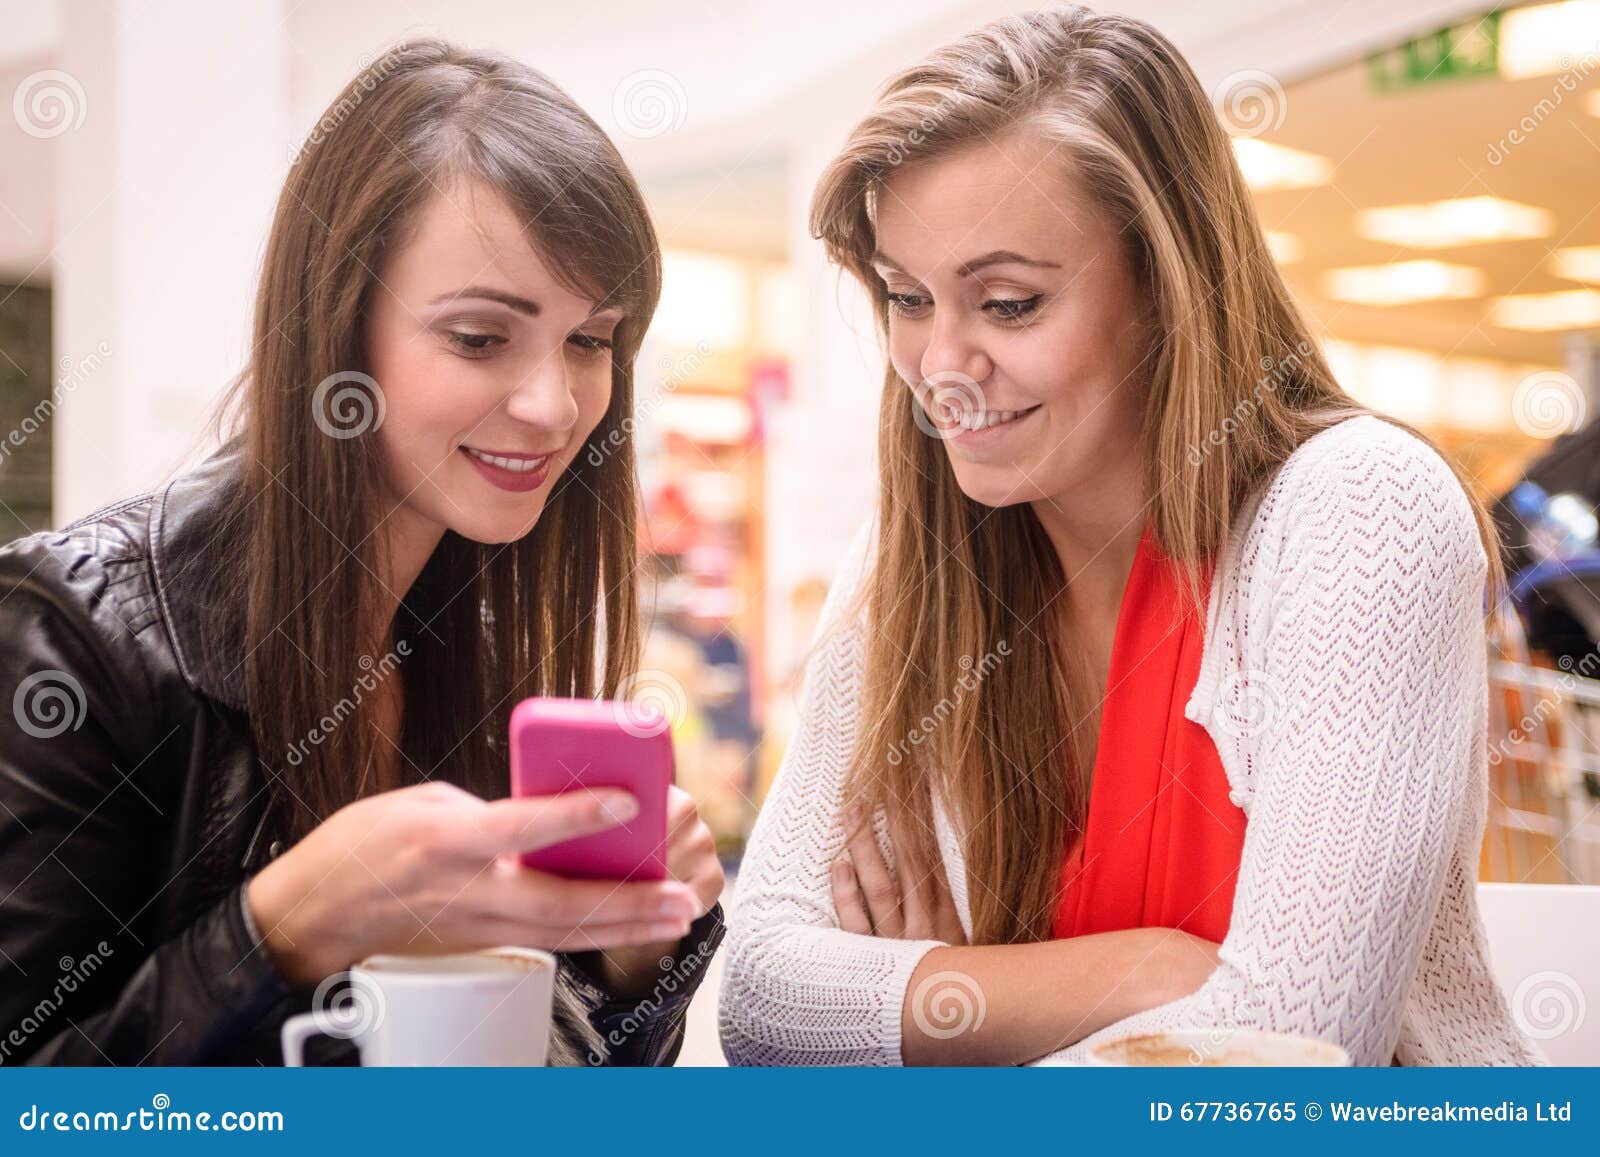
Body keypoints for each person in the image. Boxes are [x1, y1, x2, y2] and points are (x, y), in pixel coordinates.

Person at [719, 6, 1541, 1066]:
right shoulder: (911, 555)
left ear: (1165, 285)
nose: (940, 365)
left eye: (1008, 303)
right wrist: (1145, 968)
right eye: (906, 297)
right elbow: (765, 995)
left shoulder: (1358, 508)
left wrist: (936, 1008)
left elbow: (1279, 1057)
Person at [0, 41, 723, 1067]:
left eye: (591, 340)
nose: (554, 405)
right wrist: (274, 931)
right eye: (478, 338)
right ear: (337, 332)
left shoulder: (472, 632)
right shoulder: (72, 634)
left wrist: (630, 956)